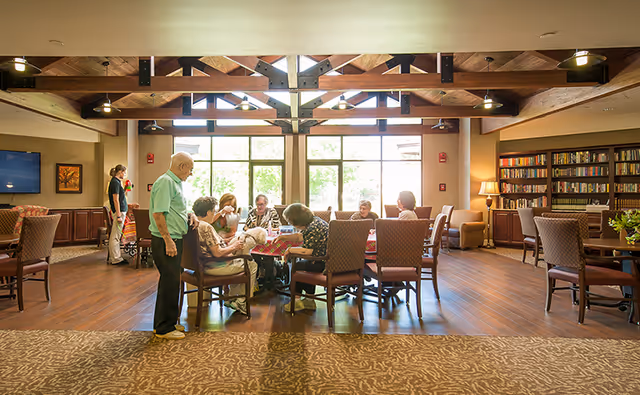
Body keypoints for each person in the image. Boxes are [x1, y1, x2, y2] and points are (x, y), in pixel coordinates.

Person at [149, 152, 199, 340]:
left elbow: (175, 209)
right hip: (166, 240)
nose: (191, 174)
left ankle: (166, 323)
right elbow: (159, 214)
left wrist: (190, 214)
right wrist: (168, 240)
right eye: (190, 169)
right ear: (182, 167)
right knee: (169, 282)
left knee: (171, 282)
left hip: (174, 237)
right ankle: (164, 329)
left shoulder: (175, 183)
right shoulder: (166, 182)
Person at [192, 196, 257, 315]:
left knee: (240, 261)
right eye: (214, 211)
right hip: (215, 267)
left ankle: (233, 298)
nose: (215, 213)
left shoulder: (194, 224)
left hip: (202, 265)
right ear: (208, 212)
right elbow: (218, 253)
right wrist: (234, 246)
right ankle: (242, 301)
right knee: (251, 265)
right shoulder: (206, 227)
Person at [274, 203, 329, 312]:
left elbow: (307, 251)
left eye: (291, 222)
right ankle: (309, 300)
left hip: (323, 263)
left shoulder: (312, 228)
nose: (291, 224)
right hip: (324, 259)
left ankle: (297, 301)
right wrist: (283, 237)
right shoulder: (315, 221)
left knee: (297, 266)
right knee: (304, 264)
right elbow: (301, 236)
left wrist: (289, 250)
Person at [244, 194, 282, 291]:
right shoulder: (252, 212)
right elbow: (245, 227)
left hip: (267, 239)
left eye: (262, 204)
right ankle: (258, 279)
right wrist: (254, 231)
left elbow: (278, 226)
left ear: (266, 204)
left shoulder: (271, 212)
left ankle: (269, 281)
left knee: (268, 256)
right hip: (255, 240)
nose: (259, 207)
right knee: (254, 255)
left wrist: (263, 230)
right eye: (258, 205)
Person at [108, 164, 128, 265]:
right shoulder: (115, 182)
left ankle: (116, 257)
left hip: (120, 211)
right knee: (115, 235)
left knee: (116, 235)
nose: (125, 174)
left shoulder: (116, 182)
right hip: (118, 213)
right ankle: (115, 258)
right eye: (124, 172)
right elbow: (116, 200)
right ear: (120, 172)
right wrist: (119, 215)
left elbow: (120, 199)